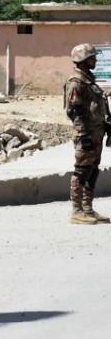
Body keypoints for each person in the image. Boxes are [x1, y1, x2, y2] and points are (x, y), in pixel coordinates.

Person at [64, 43, 111, 225]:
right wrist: (83, 135)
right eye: (92, 57)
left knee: (92, 171)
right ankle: (76, 211)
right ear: (83, 60)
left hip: (97, 133)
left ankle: (88, 208)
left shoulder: (89, 80)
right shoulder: (76, 82)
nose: (95, 60)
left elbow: (95, 108)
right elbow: (74, 111)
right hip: (86, 135)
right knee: (82, 170)